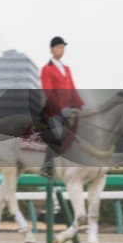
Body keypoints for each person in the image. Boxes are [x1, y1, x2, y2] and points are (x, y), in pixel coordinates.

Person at [38, 36, 85, 178]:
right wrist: (61, 109)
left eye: (63, 47)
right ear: (52, 49)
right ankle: (47, 166)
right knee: (57, 133)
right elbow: (49, 92)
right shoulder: (46, 69)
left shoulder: (67, 69)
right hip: (53, 110)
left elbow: (72, 90)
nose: (61, 50)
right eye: (59, 47)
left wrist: (81, 106)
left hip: (69, 109)